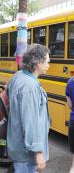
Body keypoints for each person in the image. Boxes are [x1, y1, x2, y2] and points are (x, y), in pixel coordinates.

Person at [7, 44, 50, 173]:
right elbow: (30, 122)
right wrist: (38, 153)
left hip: (19, 148)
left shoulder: (18, 76)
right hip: (26, 155)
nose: (49, 64)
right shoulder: (29, 87)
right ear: (37, 63)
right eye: (47, 61)